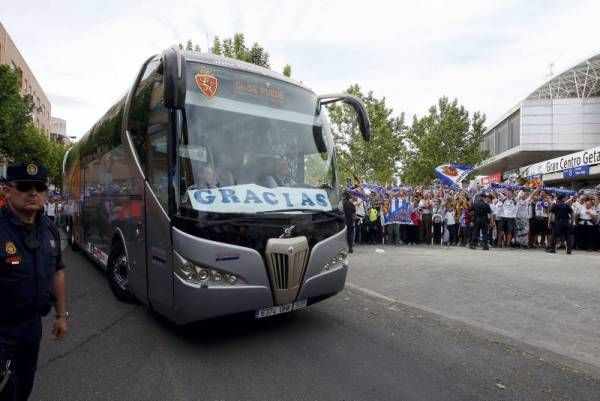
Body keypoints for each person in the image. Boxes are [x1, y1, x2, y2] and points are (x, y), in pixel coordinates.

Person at [0, 162, 68, 401]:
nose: (33, 192)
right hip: (3, 332)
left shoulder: (49, 229)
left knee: (24, 387)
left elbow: (57, 271)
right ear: (6, 191)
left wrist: (61, 315)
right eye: (25, 186)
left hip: (32, 327)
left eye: (39, 187)